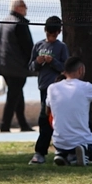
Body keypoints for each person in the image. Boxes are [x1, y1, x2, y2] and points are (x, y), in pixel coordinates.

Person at [46, 57, 92, 166]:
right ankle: (86, 151)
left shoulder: (52, 88)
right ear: (81, 70)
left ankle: (65, 155)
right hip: (81, 140)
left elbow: (47, 110)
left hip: (59, 141)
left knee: (73, 143)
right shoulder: (86, 87)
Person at [0, 0, 34, 132]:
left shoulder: (3, 22)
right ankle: (5, 126)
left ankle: (23, 124)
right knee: (14, 96)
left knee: (17, 94)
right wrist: (34, 63)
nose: (26, 9)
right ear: (18, 8)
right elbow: (27, 47)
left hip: (4, 65)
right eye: (24, 6)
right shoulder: (19, 24)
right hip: (16, 67)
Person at [28, 15, 69, 164]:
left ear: (59, 32)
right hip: (44, 88)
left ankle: (62, 150)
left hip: (58, 88)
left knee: (58, 119)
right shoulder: (38, 46)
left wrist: (53, 62)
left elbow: (65, 68)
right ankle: (41, 152)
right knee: (44, 119)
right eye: (48, 35)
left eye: (54, 35)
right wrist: (37, 62)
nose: (51, 38)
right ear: (45, 31)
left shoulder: (61, 47)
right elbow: (31, 67)